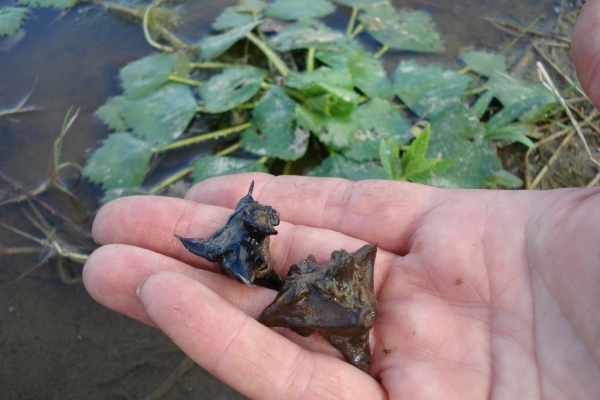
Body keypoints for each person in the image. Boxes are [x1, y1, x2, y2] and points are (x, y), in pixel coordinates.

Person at [83, 3, 600, 398]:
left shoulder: (323, 288)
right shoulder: (298, 267)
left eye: (315, 266)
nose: (309, 261)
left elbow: (322, 283)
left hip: (339, 315)